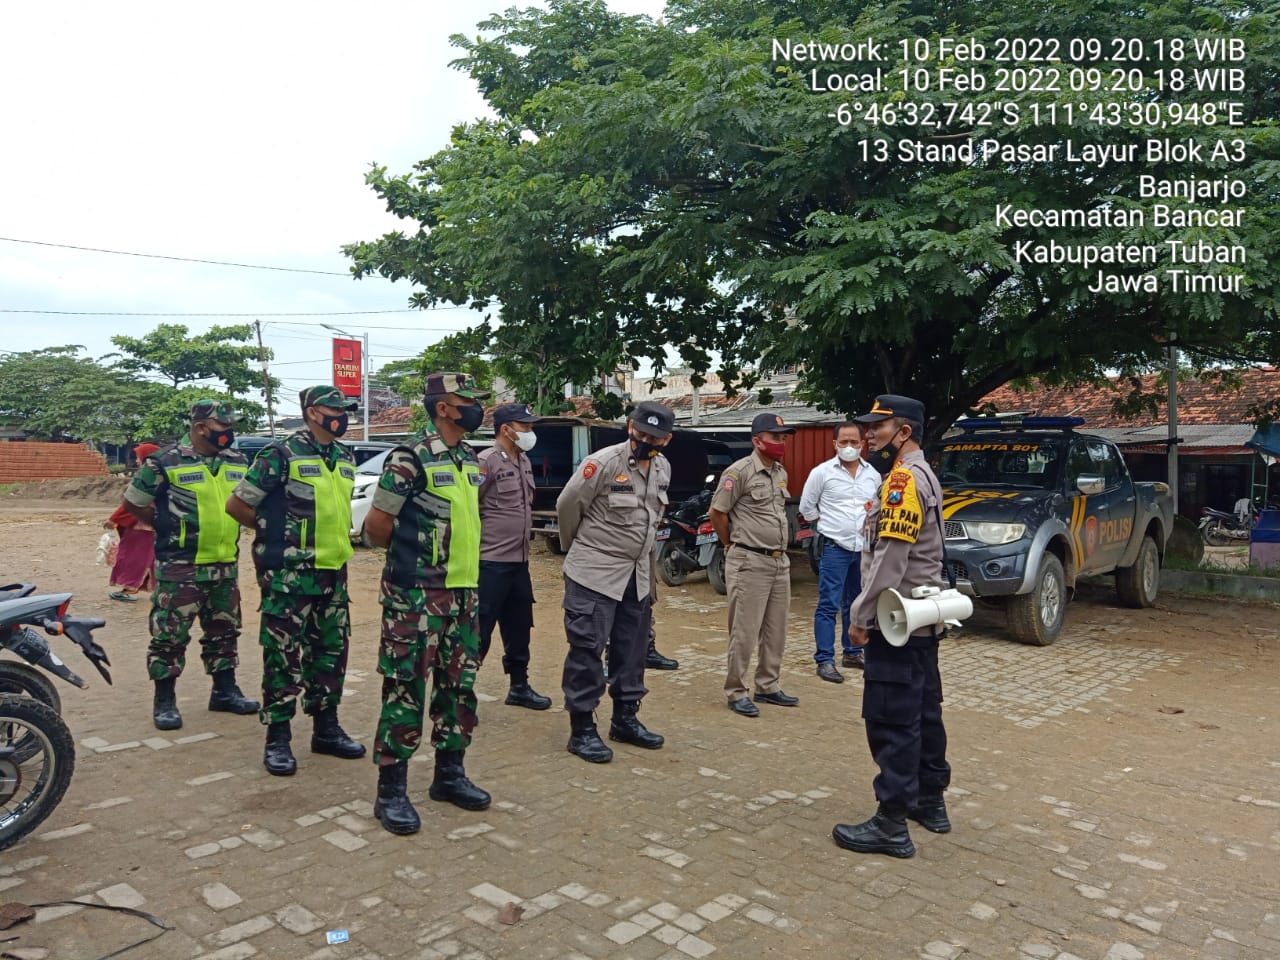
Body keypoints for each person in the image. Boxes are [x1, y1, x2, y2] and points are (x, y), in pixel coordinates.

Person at [361, 373, 495, 834]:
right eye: (467, 400)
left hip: (464, 593)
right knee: (405, 688)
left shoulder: (468, 458)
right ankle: (391, 792)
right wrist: (416, 563)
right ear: (443, 407)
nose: (476, 407)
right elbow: (377, 525)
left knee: (459, 687)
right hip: (416, 598)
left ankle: (449, 775)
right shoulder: (410, 458)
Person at [832, 394, 952, 859]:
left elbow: (891, 558)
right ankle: (929, 801)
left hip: (895, 620)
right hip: (920, 618)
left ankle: (891, 823)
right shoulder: (923, 473)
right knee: (923, 710)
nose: (868, 435)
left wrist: (860, 616)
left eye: (877, 428)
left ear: (903, 432)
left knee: (892, 718)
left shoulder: (902, 479)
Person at [226, 385, 365, 777]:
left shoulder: (344, 455)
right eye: (334, 409)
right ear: (312, 412)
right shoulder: (280, 454)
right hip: (289, 576)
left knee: (331, 653)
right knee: (282, 657)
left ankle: (326, 729)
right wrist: (275, 535)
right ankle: (278, 738)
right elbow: (237, 504)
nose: (342, 416)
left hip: (333, 573)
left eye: (345, 409)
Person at [123, 402, 258, 729]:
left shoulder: (238, 461)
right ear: (200, 427)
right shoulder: (164, 461)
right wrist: (165, 525)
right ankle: (165, 700)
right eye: (223, 425)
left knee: (225, 631)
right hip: (180, 566)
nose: (229, 432)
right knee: (169, 636)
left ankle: (224, 691)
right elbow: (134, 502)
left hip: (225, 563)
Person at [556, 401, 673, 763]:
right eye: (641, 433)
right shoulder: (603, 463)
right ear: (630, 427)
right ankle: (582, 729)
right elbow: (567, 506)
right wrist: (582, 550)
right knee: (587, 649)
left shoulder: (663, 467)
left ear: (667, 439)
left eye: (655, 438)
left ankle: (625, 719)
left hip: (637, 575)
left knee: (632, 651)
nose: (646, 441)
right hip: (595, 574)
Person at [709, 412, 798, 717]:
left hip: (779, 561)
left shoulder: (780, 473)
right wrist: (731, 543)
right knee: (744, 631)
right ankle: (736, 691)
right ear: (758, 440)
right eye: (775, 437)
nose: (781, 442)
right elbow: (718, 512)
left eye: (783, 437)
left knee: (776, 630)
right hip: (749, 560)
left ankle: (768, 686)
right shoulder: (739, 472)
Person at [476, 403, 552, 710]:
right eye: (525, 426)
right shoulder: (486, 462)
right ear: (506, 429)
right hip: (490, 562)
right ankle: (460, 691)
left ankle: (519, 686)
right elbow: (470, 506)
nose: (530, 432)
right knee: (479, 629)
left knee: (520, 626)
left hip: (519, 562)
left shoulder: (524, 461)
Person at [799, 422, 881, 682]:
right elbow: (807, 508)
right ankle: (825, 659)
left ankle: (852, 652)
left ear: (862, 444)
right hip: (835, 547)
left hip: (863, 549)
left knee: (855, 603)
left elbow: (876, 508)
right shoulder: (821, 473)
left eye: (854, 442)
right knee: (828, 603)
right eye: (843, 442)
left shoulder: (873, 475)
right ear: (834, 444)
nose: (849, 447)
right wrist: (827, 525)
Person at [106, 443, 160, 602]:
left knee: (133, 557)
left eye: (138, 457)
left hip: (140, 526)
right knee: (151, 558)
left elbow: (132, 503)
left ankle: (130, 587)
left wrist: (114, 519)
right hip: (155, 525)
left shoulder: (146, 478)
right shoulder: (163, 477)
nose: (136, 461)